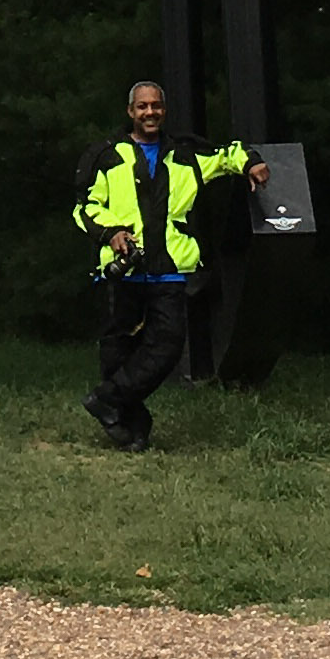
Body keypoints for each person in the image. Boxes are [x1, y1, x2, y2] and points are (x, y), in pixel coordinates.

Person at [72, 78, 260, 451]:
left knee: (168, 346)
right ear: (130, 112)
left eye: (156, 106)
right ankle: (132, 430)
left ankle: (107, 401)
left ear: (164, 110)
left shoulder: (185, 155)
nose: (150, 112)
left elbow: (227, 156)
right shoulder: (106, 155)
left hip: (169, 268)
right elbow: (85, 209)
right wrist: (112, 233)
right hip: (124, 268)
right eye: (142, 107)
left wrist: (251, 164)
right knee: (117, 349)